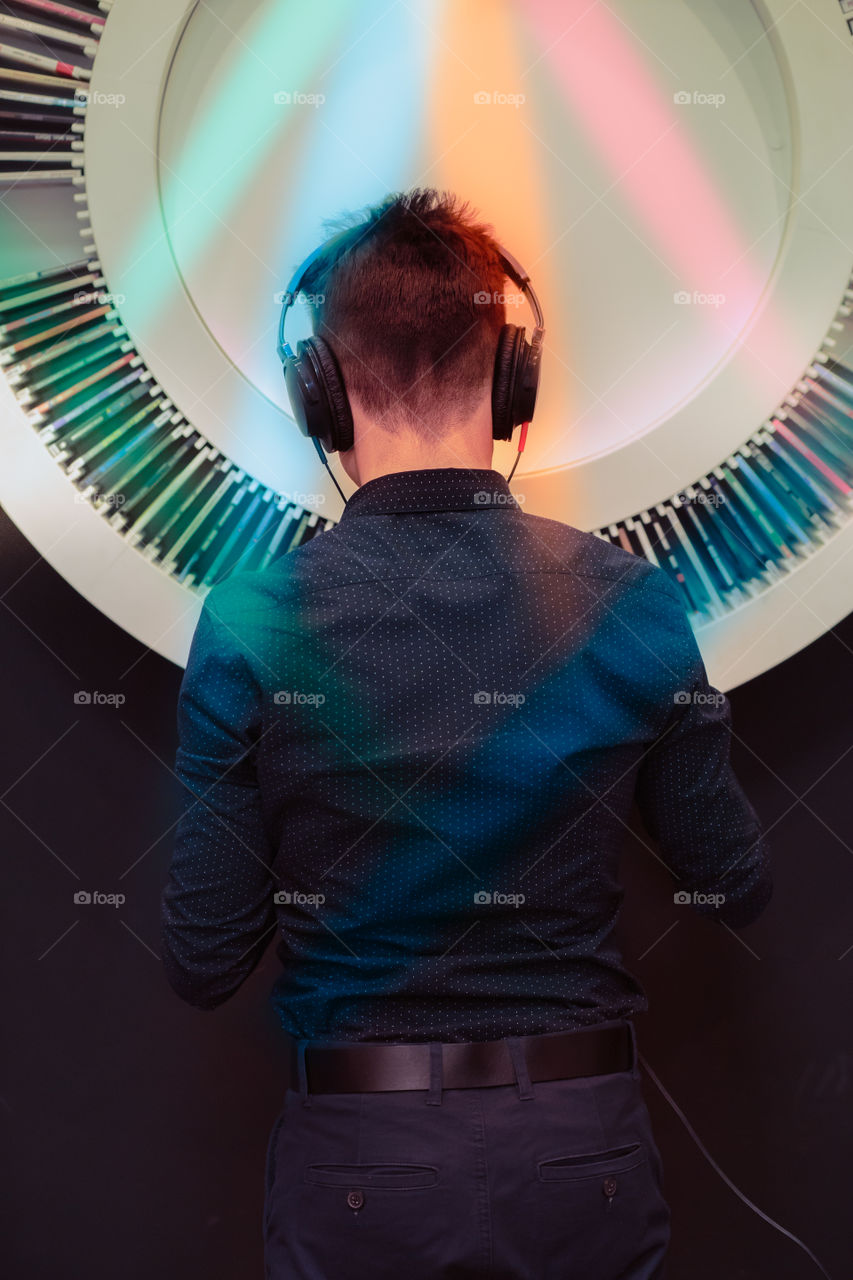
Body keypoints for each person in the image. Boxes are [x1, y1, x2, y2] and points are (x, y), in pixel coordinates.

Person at [160, 188, 772, 1279]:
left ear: (319, 391)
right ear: (510, 380)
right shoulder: (630, 601)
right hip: (578, 1150)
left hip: (360, 1160)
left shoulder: (254, 621)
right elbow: (733, 884)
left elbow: (204, 959)